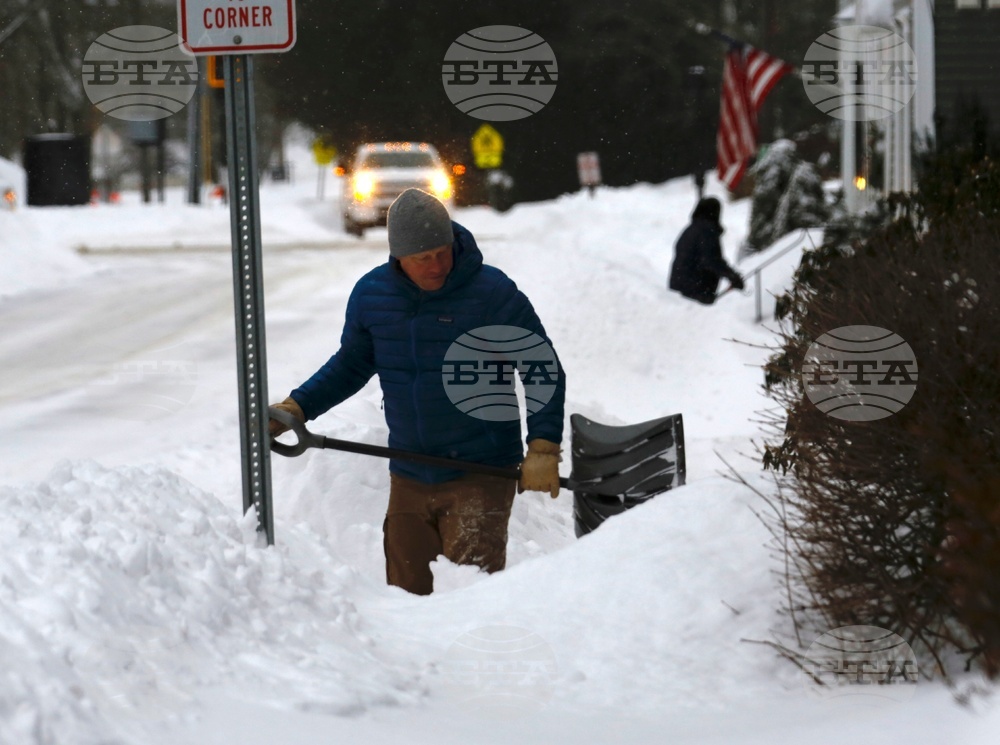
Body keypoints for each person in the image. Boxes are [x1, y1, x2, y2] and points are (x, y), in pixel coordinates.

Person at [269, 188, 565, 595]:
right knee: (406, 596)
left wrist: (544, 446)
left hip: (481, 470)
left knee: (472, 595)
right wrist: (298, 407)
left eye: (442, 251)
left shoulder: (491, 293)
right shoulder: (373, 296)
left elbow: (540, 367)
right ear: (398, 257)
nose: (437, 265)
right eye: (423, 258)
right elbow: (352, 363)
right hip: (408, 469)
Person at [668, 196, 745, 305]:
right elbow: (711, 260)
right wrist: (732, 276)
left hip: (678, 288)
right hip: (694, 291)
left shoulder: (690, 230)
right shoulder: (707, 232)